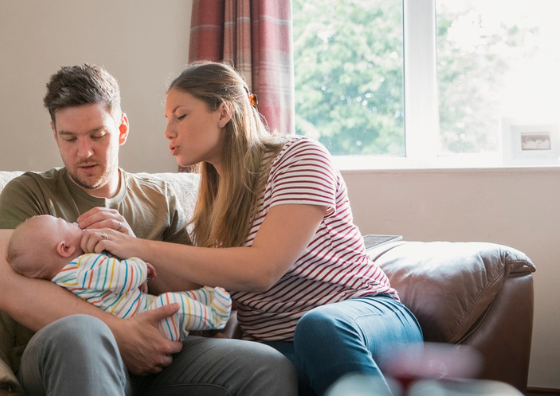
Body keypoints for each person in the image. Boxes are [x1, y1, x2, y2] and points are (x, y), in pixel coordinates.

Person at [82, 61, 424, 396]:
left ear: (223, 112)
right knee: (253, 367)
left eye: (181, 115)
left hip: (365, 319)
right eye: (167, 119)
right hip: (283, 347)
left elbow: (263, 269)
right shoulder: (211, 209)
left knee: (319, 329)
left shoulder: (299, 157)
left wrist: (140, 247)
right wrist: (127, 258)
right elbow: (210, 296)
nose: (168, 131)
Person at [0, 63, 297, 395]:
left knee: (268, 365)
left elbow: (192, 287)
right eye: (69, 138)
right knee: (80, 333)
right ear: (54, 134)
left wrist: (134, 245)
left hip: (164, 351)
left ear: (121, 129)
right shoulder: (29, 192)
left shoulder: (158, 197)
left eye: (97, 135)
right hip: (66, 349)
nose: (84, 151)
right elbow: (10, 290)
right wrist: (119, 333)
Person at [6, 214, 232, 341]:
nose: (74, 223)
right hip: (150, 326)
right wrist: (138, 263)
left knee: (180, 298)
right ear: (64, 248)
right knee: (171, 304)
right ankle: (215, 315)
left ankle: (207, 297)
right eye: (66, 224)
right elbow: (122, 277)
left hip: (141, 309)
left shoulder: (62, 281)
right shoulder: (84, 266)